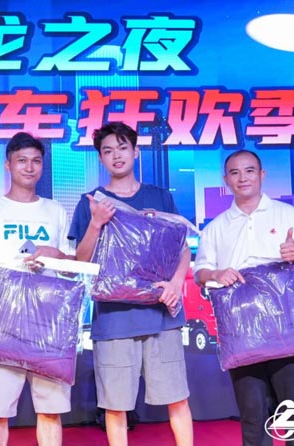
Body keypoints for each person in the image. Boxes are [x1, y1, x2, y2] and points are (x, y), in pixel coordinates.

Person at [69, 122, 194, 446]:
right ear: (100, 158)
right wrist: (96, 223)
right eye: (108, 150)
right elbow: (82, 259)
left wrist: (175, 283)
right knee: (115, 405)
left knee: (177, 397)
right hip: (114, 319)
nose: (116, 155)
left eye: (123, 148)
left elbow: (182, 248)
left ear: (136, 152)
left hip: (161, 315)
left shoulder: (160, 197)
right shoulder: (91, 202)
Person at [193, 149, 294, 446]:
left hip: (286, 325)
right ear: (226, 180)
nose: (243, 178)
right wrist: (216, 273)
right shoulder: (216, 227)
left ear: (262, 175)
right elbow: (200, 272)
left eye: (249, 170)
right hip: (241, 331)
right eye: (235, 172)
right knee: (253, 417)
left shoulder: (287, 214)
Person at [0, 131, 75, 446]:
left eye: (36, 161)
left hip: (48, 314)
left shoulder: (55, 210)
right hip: (3, 313)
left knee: (51, 408)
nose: (29, 167)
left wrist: (56, 255)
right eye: (21, 161)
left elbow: (71, 263)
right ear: (8, 165)